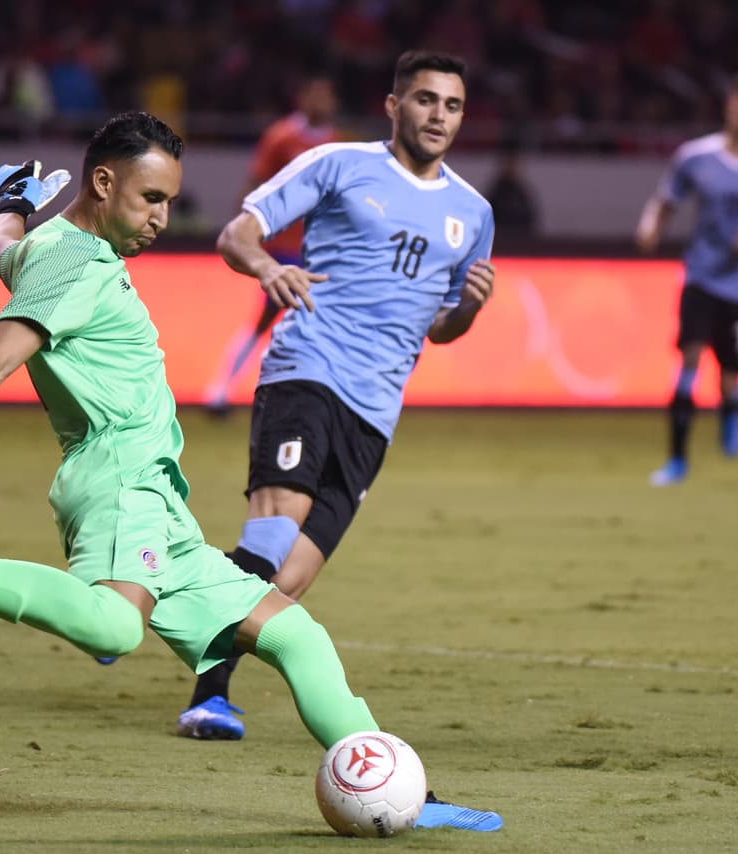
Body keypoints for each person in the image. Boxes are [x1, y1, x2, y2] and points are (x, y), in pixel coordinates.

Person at [0, 111, 498, 833]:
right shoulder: (70, 262)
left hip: (159, 499)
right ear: (102, 182)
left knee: (296, 635)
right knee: (114, 629)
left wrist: (10, 207)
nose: (163, 218)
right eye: (152, 199)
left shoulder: (48, 248)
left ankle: (408, 794)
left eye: (168, 203)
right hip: (116, 478)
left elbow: (5, 251)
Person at [178, 47, 496, 791]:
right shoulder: (337, 165)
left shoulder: (473, 214)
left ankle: (167, 601)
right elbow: (237, 235)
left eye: (450, 105)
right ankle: (208, 696)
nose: (437, 116)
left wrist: (470, 310)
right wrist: (269, 269)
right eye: (423, 100)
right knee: (271, 528)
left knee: (288, 580)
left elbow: (440, 330)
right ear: (393, 105)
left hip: (376, 409)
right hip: (306, 369)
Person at [635, 74, 738, 486]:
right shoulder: (696, 157)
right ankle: (677, 460)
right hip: (702, 277)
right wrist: (650, 228)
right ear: (728, 107)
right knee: (689, 361)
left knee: (730, 374)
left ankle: (731, 407)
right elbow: (666, 200)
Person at [203, 73, 340, 415]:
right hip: (281, 248)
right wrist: (246, 237)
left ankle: (300, 395)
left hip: (317, 251)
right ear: (303, 98)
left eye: (327, 96)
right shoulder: (282, 137)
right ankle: (221, 388)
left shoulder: (337, 143)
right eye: (316, 95)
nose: (322, 103)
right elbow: (256, 183)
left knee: (308, 322)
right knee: (270, 319)